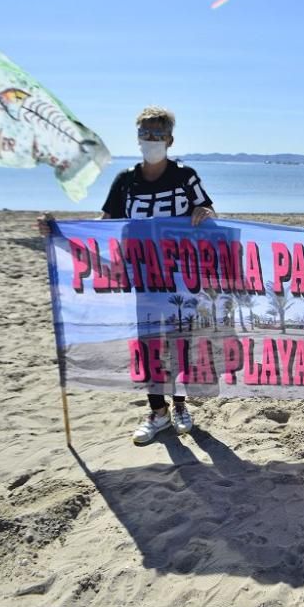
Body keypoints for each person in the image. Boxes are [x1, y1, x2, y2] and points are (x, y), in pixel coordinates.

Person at [38, 106, 216, 444]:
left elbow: (207, 214)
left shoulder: (184, 177)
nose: (151, 140)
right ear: (137, 139)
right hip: (141, 277)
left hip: (180, 278)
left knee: (180, 343)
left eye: (157, 134)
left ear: (170, 139)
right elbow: (103, 229)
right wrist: (58, 231)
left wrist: (204, 211)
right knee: (148, 344)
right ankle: (158, 412)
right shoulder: (126, 181)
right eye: (145, 134)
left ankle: (179, 405)